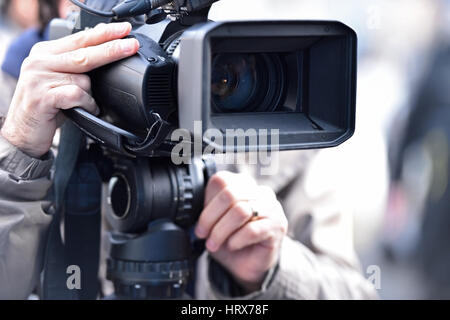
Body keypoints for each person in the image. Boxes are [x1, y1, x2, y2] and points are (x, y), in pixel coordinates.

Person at [0, 21, 377, 299]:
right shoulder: (14, 102)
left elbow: (358, 291)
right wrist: (18, 155)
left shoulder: (271, 98)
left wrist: (273, 270)